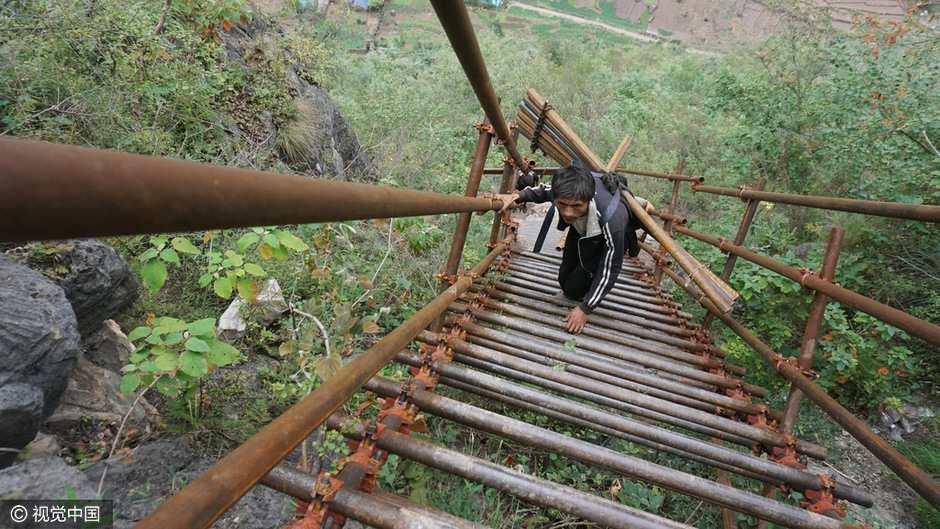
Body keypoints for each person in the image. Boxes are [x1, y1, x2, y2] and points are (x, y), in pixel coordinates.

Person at [496, 163, 652, 335]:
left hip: (601, 234)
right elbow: (544, 190)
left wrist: (585, 309)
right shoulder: (567, 192)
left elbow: (611, 267)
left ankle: (641, 204)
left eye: (576, 206)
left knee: (573, 288)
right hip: (580, 226)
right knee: (564, 279)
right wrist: (517, 196)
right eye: (562, 204)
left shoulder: (613, 221)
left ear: (588, 198)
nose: (568, 212)